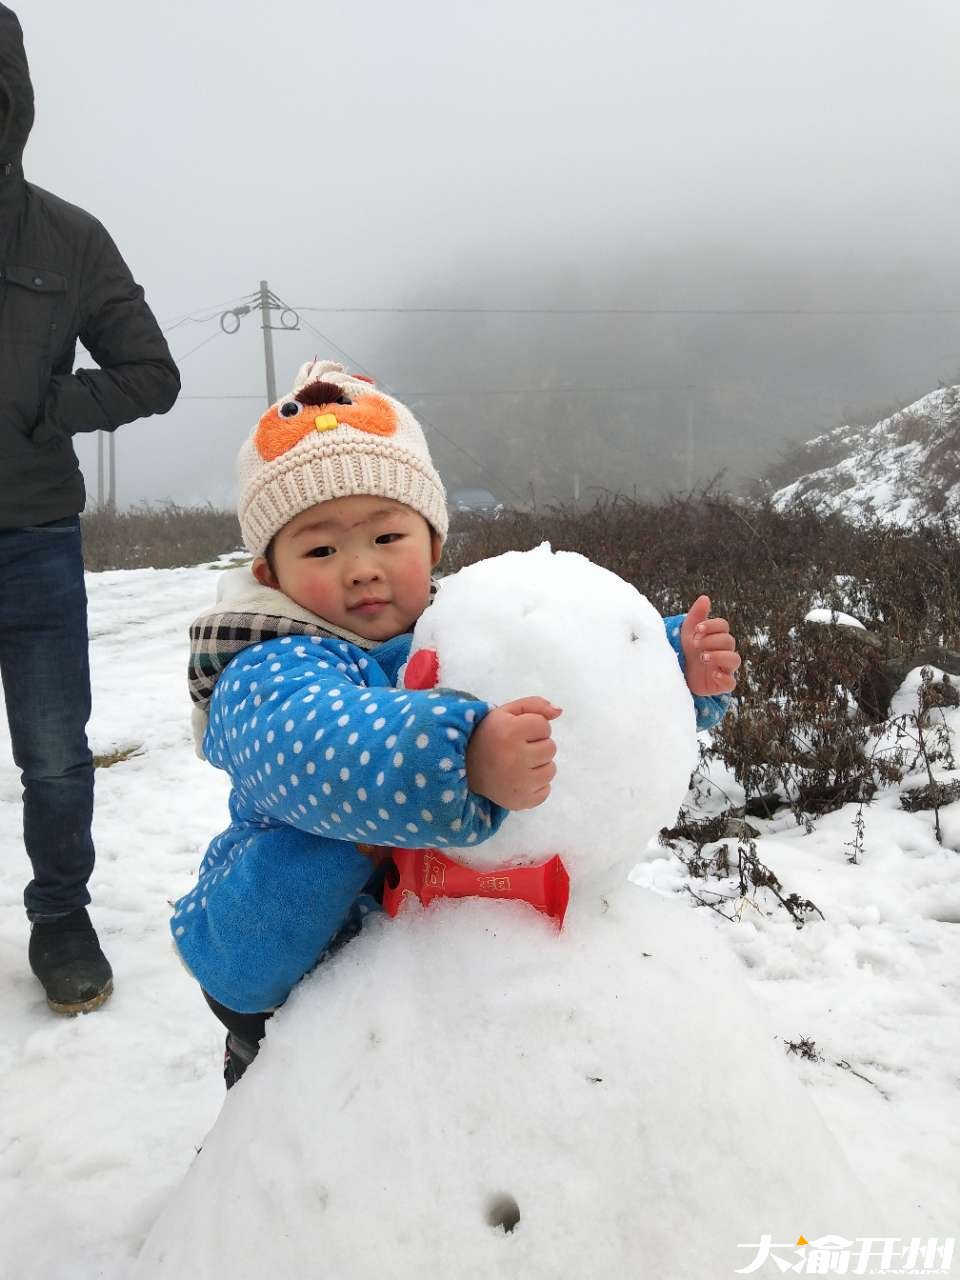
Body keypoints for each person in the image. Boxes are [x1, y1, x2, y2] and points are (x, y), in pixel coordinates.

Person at [177, 359, 740, 1087]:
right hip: (282, 947)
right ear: (270, 574)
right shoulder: (266, 667)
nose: (361, 569)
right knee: (299, 1102)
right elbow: (322, 741)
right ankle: (256, 1111)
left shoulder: (444, 625)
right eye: (321, 548)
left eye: (387, 538)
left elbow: (547, 666)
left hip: (413, 938)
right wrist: (456, 758)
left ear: (433, 544)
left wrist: (669, 665)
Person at [0, 6, 181, 1013]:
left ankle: (60, 915)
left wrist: (46, 407)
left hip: (31, 541)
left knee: (56, 751)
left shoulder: (69, 240)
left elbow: (153, 371)